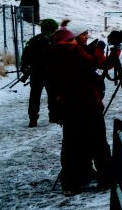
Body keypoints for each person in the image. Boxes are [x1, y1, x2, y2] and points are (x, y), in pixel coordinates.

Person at [47, 21, 112, 196]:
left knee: (71, 145)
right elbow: (92, 65)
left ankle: (70, 183)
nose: (86, 37)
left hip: (67, 105)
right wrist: (99, 49)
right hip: (87, 103)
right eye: (82, 34)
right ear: (71, 37)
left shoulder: (52, 52)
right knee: (99, 142)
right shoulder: (73, 50)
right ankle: (106, 180)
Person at [20, 18, 58, 127]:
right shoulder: (54, 41)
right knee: (52, 96)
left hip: (36, 74)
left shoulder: (33, 41)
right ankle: (53, 116)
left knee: (34, 97)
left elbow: (25, 58)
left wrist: (25, 69)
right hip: (51, 74)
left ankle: (33, 119)